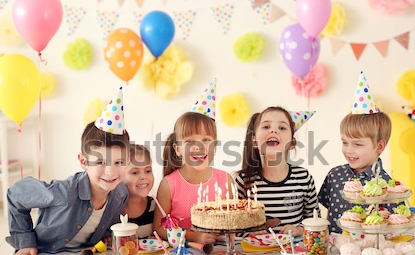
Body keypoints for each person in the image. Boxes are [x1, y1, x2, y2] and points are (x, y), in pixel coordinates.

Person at [1, 87, 130, 255]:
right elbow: (16, 194)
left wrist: (107, 237)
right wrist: (25, 242)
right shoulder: (63, 192)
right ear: (83, 162)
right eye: (100, 162)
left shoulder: (120, 193)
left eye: (119, 162)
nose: (110, 171)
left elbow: (107, 222)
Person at [153, 79, 235, 245]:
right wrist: (194, 236)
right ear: (177, 149)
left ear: (216, 146)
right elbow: (160, 228)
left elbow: (233, 222)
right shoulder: (169, 184)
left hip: (220, 254)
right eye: (190, 141)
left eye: (206, 139)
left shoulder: (226, 181)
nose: (198, 146)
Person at [318, 71, 395, 234]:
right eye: (344, 142)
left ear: (379, 147)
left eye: (357, 144)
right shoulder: (335, 175)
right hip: (334, 251)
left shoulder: (385, 186)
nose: (349, 150)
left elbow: (391, 228)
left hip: (366, 254)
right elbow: (328, 214)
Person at [235, 106, 319, 237]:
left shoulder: (303, 178)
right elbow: (233, 229)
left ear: (292, 143)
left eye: (282, 128)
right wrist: (248, 233)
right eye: (266, 127)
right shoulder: (243, 181)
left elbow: (315, 222)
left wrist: (299, 230)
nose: (273, 130)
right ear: (254, 141)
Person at [122, 143, 155, 239]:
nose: (144, 177)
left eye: (148, 171)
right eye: (135, 172)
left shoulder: (156, 207)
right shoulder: (112, 210)